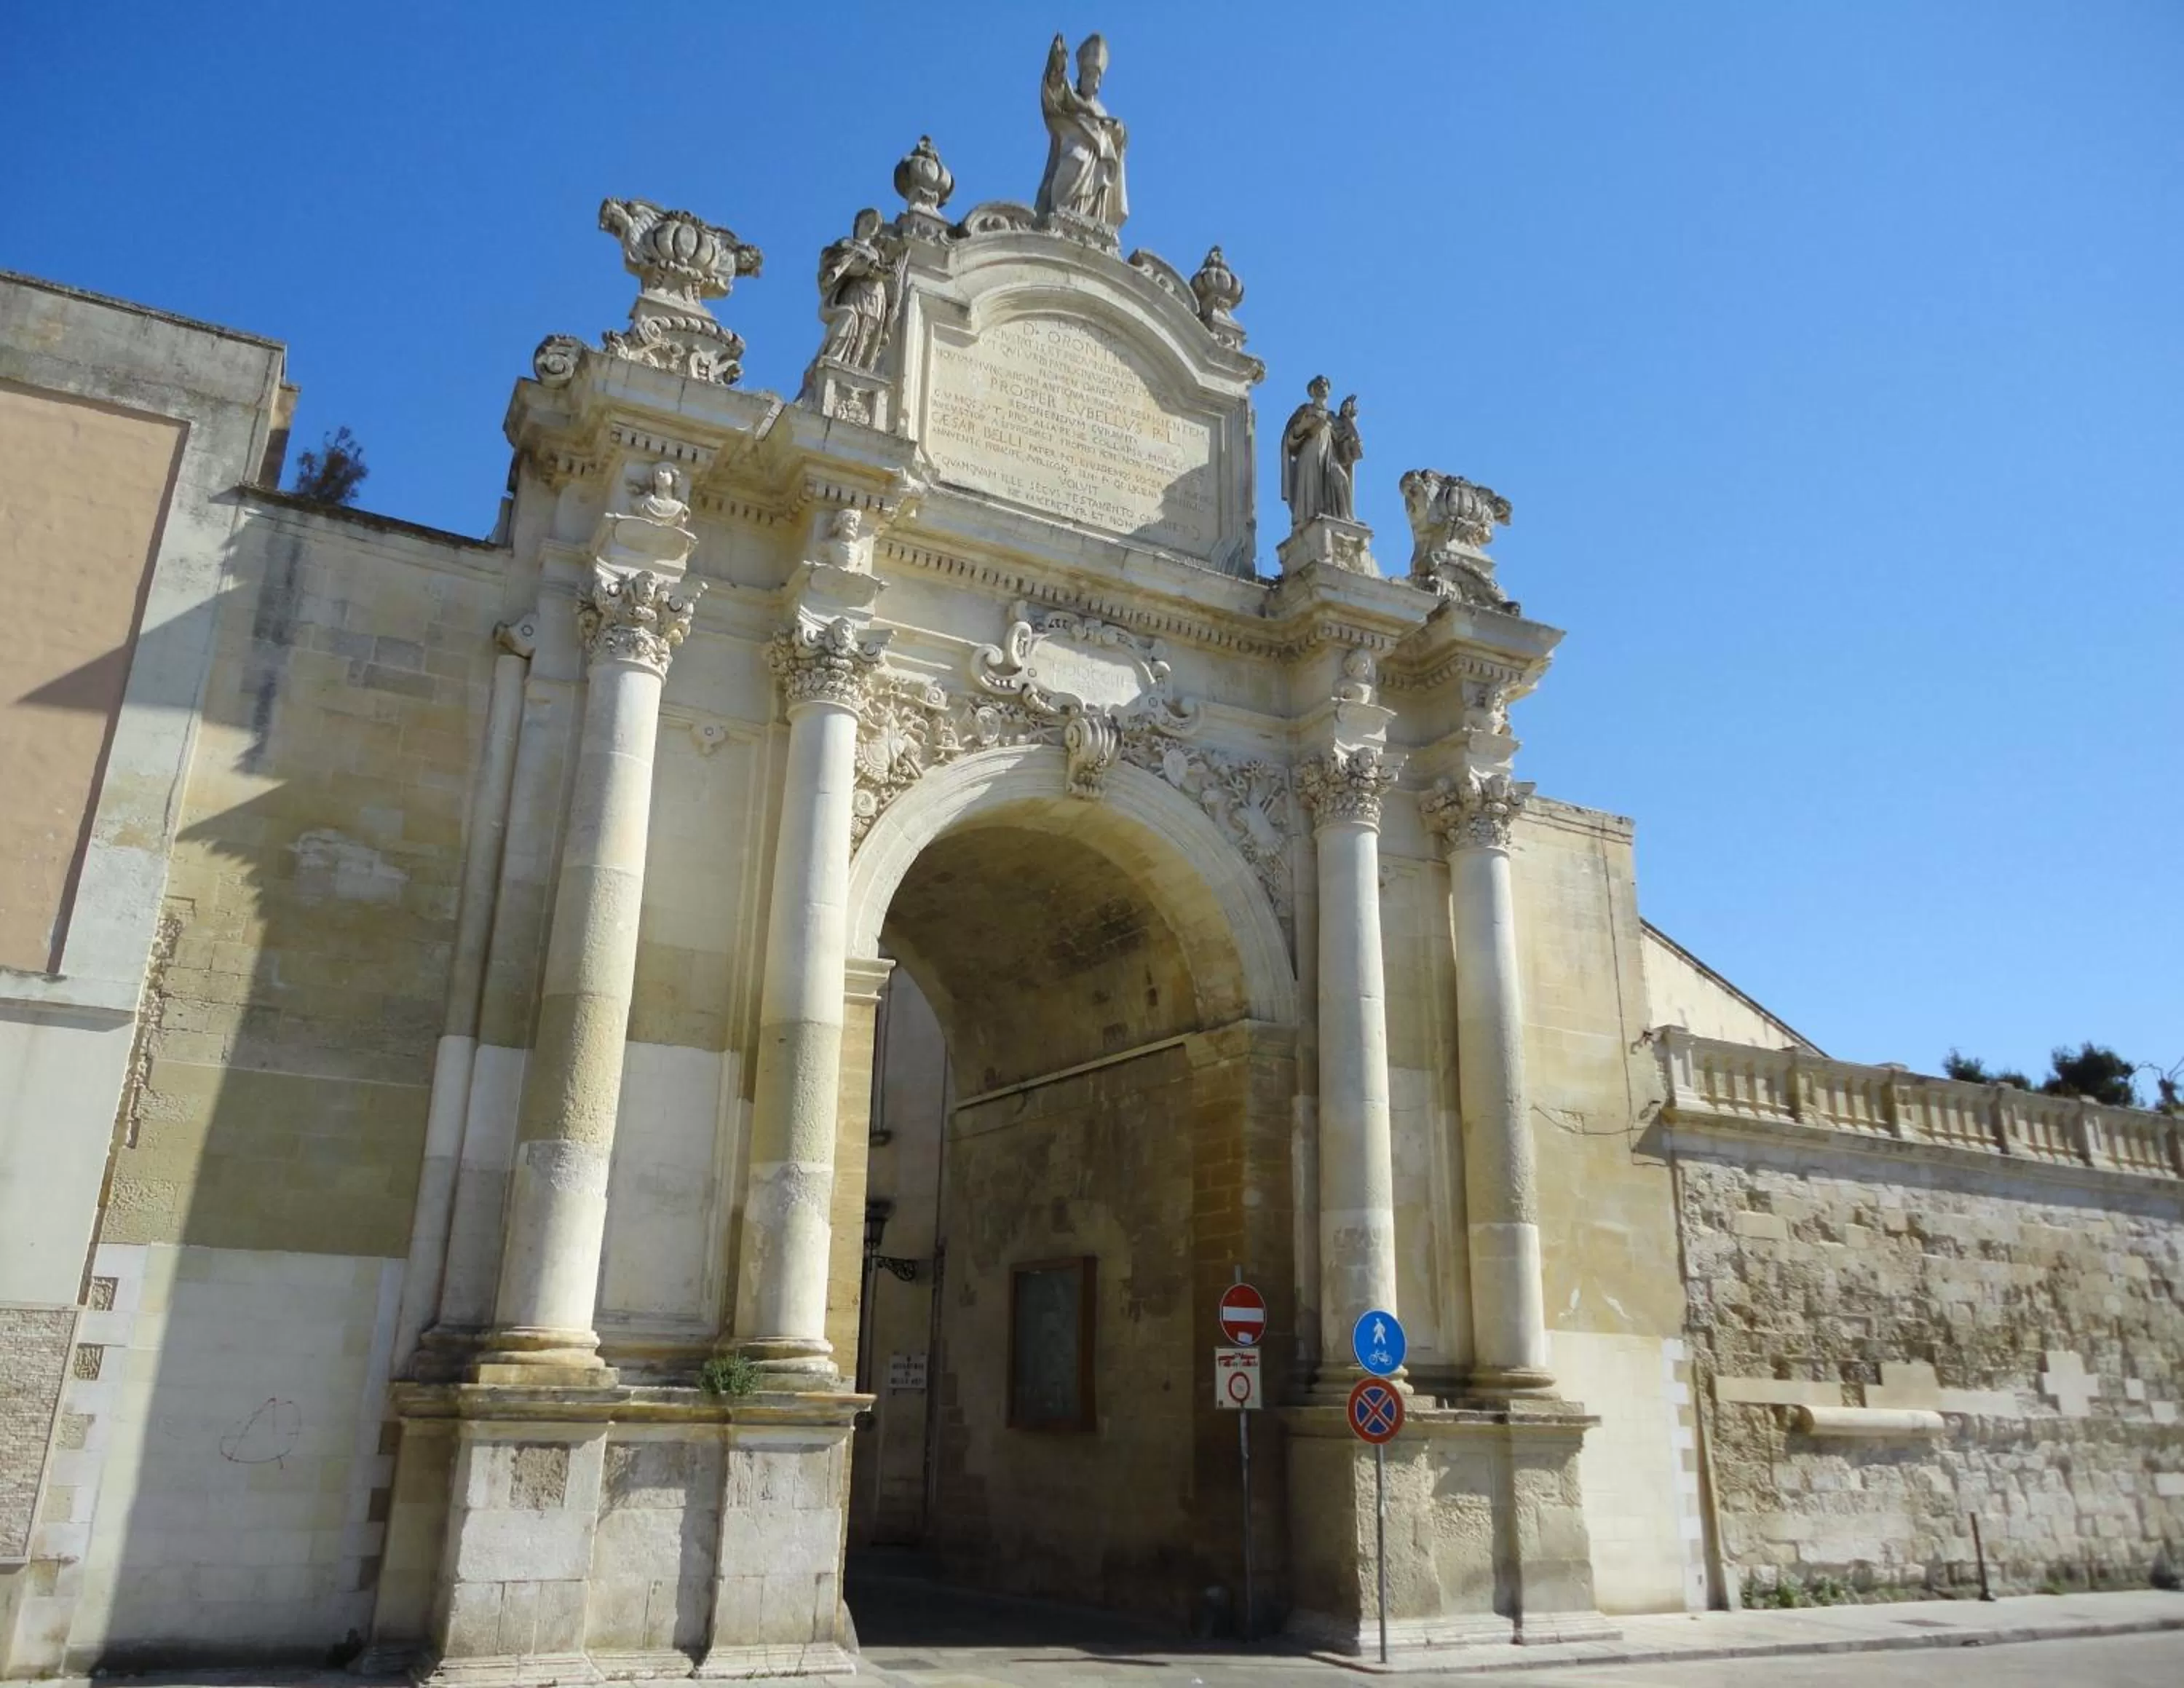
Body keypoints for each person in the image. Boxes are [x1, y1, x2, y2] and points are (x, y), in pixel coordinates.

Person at [1036, 33, 1129, 228]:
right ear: (1081, 77)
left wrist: (1118, 131)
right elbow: (1054, 92)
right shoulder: (1070, 97)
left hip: (1097, 161)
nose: (1094, 83)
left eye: (1097, 79)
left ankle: (1090, 221)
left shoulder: (1101, 110)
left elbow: (1117, 138)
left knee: (1098, 179)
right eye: (1089, 77)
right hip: (1074, 149)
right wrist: (1057, 64)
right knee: (1075, 160)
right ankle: (1063, 213)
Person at [815, 208, 896, 371]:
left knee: (870, 335)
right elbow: (834, 264)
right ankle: (843, 366)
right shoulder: (846, 245)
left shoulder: (878, 254)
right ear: (857, 224)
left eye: (875, 225)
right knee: (852, 322)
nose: (871, 226)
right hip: (856, 293)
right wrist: (862, 266)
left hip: (876, 297)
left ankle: (862, 370)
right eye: (868, 222)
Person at [1280, 376, 1337, 532]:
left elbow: (1343, 441)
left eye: (1325, 384)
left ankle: (1329, 517)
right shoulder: (1305, 410)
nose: (1322, 387)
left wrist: (1351, 421)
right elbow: (1290, 439)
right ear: (1311, 391)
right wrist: (1303, 426)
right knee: (1310, 487)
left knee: (1331, 485)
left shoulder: (1332, 416)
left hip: (1328, 456)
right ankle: (1306, 521)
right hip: (1309, 455)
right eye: (1318, 385)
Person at [1329, 395, 1364, 522]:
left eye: (1349, 407)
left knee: (1347, 483)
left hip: (1345, 458)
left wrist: (1349, 418)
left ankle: (1347, 514)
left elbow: (1351, 435)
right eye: (1345, 406)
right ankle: (1343, 514)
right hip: (1334, 458)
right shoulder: (1333, 419)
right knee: (1341, 481)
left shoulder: (1346, 422)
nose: (1347, 409)